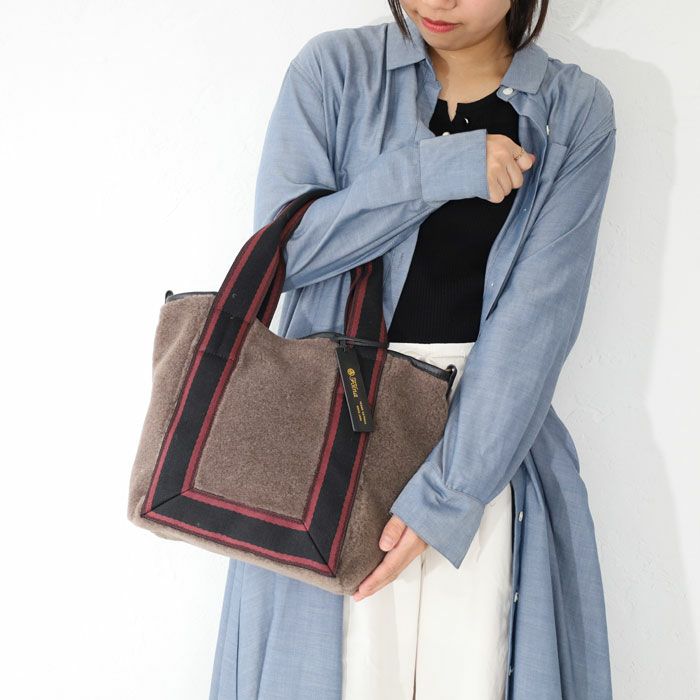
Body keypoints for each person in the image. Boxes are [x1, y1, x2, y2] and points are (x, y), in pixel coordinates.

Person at [210, 2, 617, 699]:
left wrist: (445, 499)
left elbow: (539, 322)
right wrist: (439, 171)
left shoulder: (573, 110)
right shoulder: (337, 72)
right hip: (328, 443)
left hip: (483, 447)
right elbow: (289, 254)